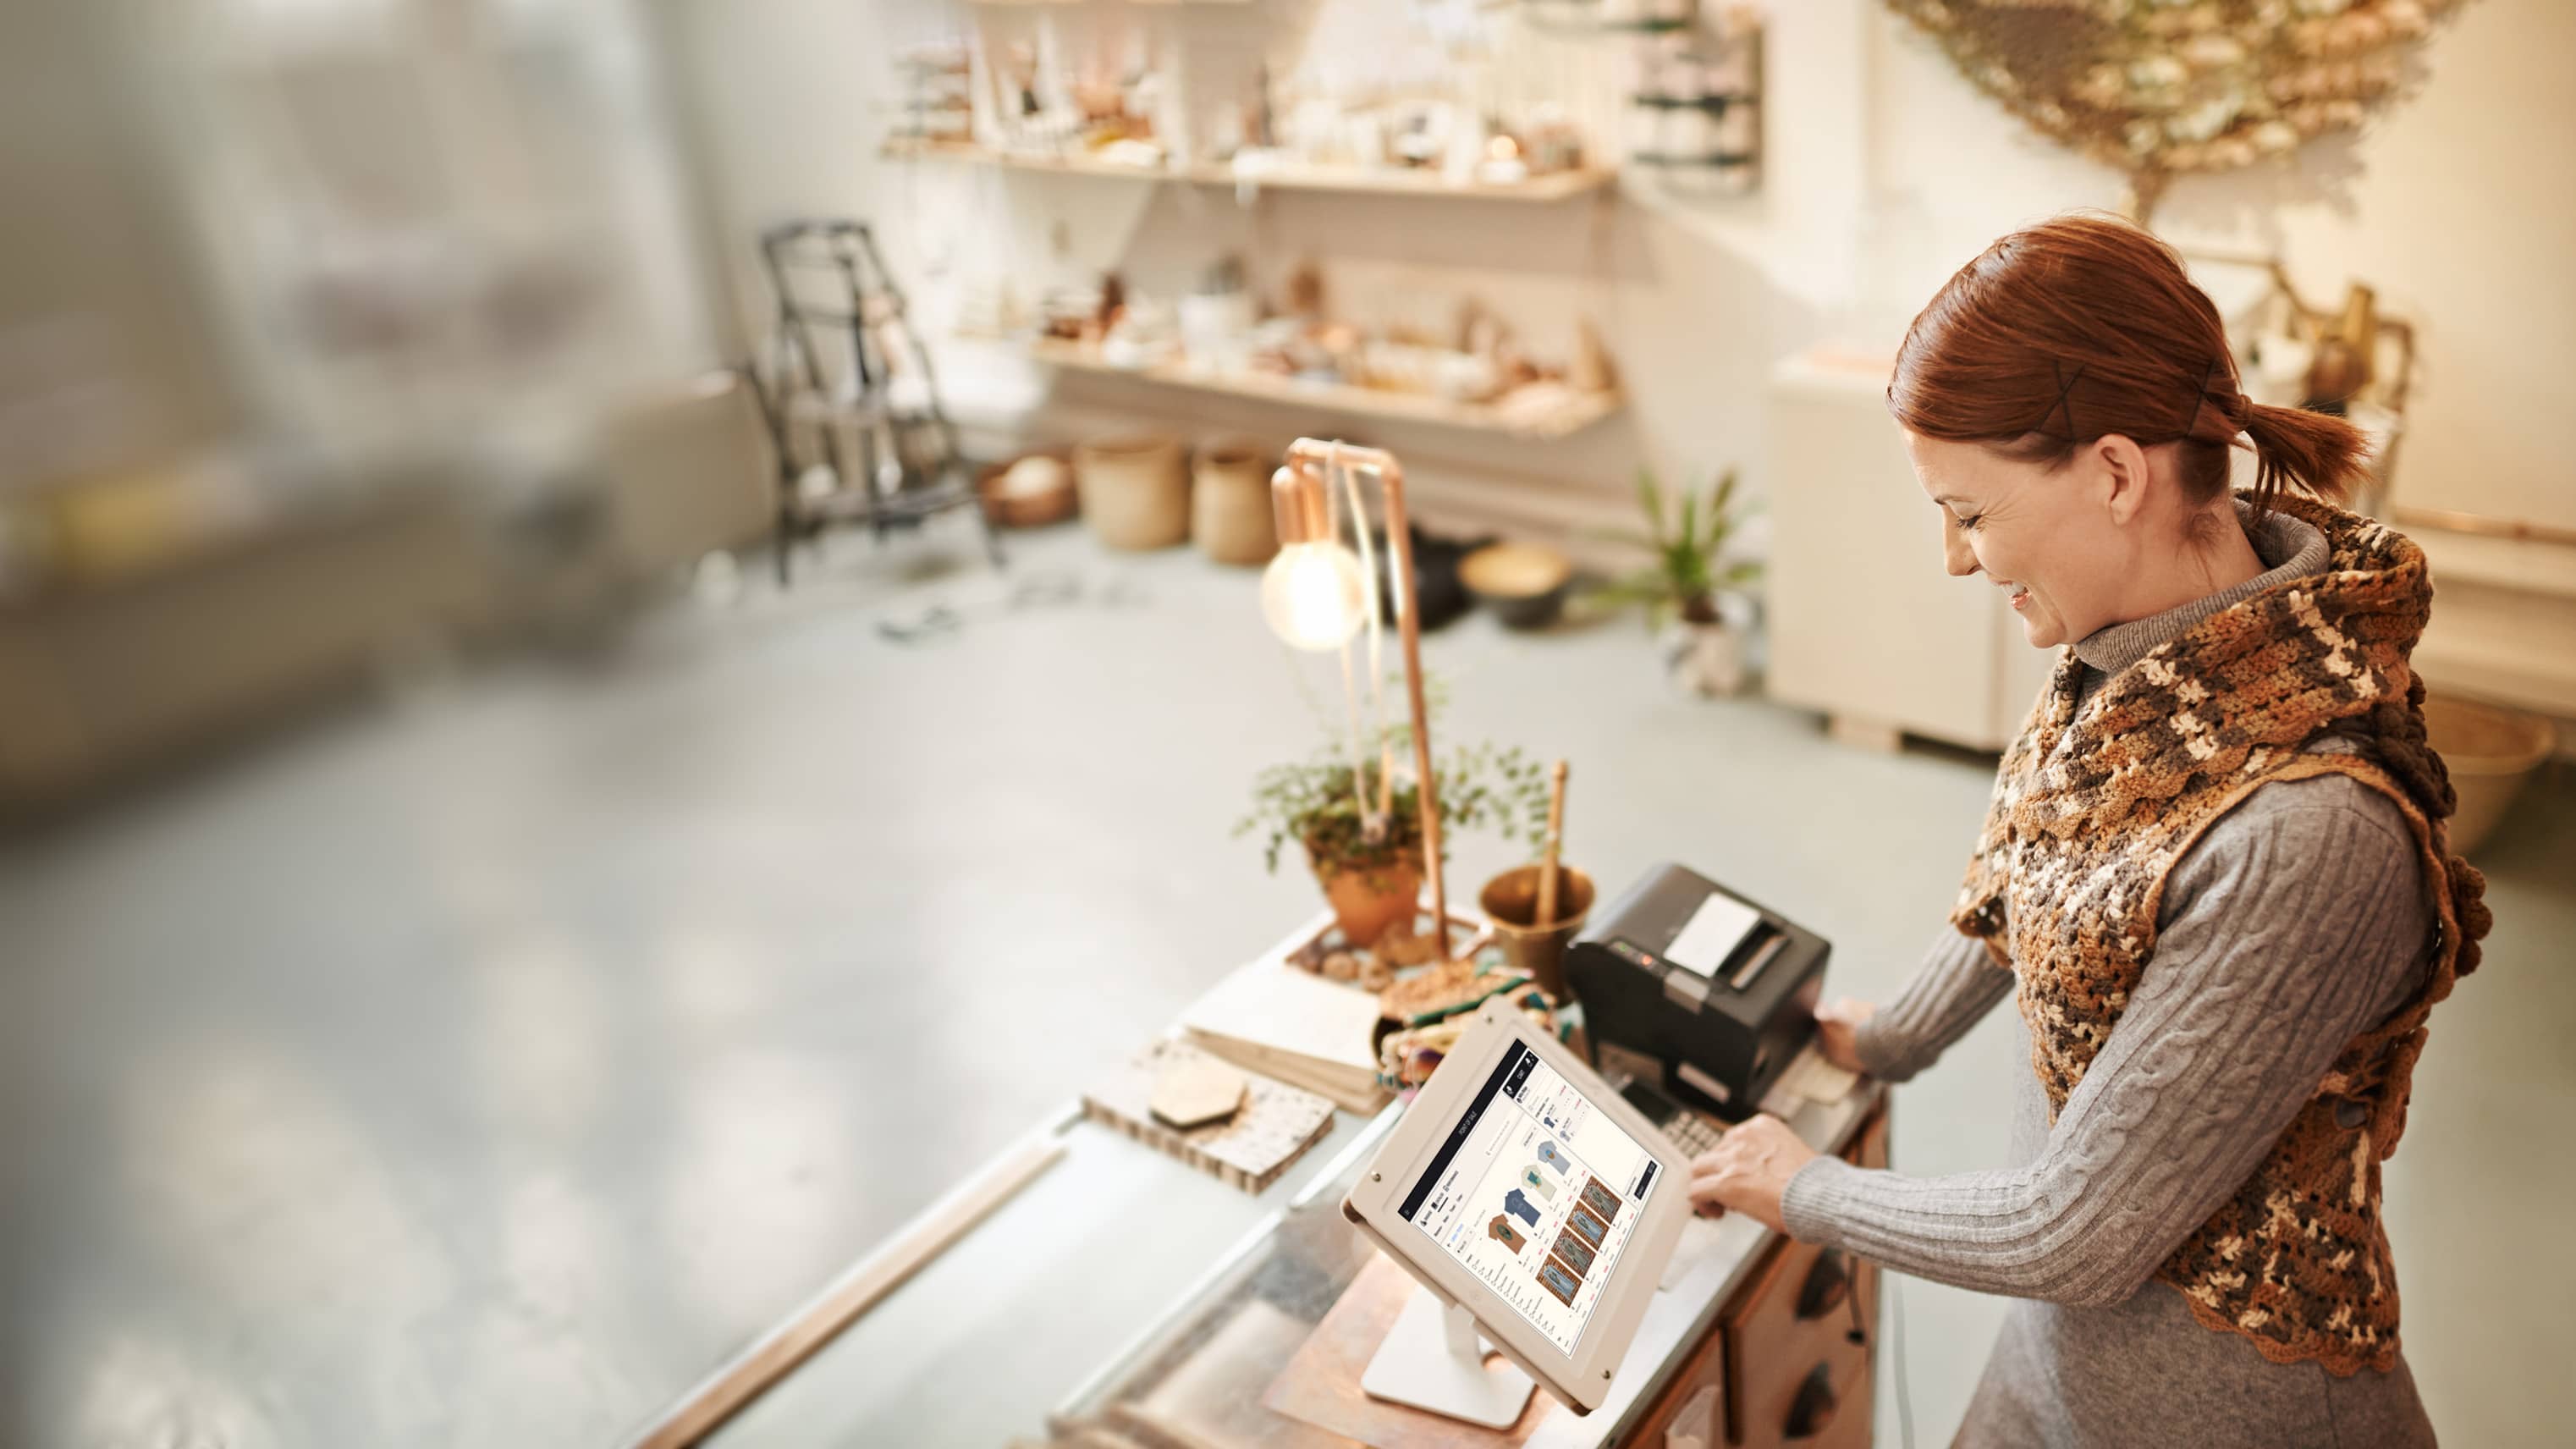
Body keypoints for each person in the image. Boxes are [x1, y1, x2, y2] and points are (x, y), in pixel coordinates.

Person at [1685, 212, 2491, 1447]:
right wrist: (1887, 1037)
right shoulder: (2142, 661)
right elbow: (2047, 871)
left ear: (2115, 474)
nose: (1957, 560)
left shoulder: (2310, 834)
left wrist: (1804, 1189)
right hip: (2051, 1366)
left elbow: (2077, 1232)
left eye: (1969, 513)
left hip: (2221, 1411)